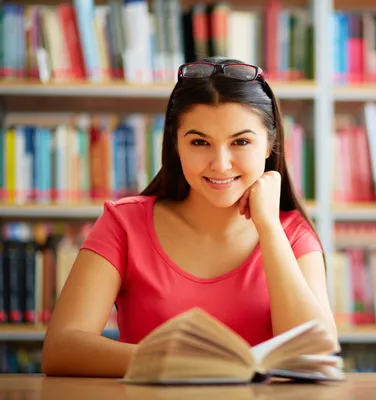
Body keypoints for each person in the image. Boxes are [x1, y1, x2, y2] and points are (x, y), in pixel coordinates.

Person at [41, 57, 339, 377]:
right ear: (176, 143)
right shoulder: (124, 225)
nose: (220, 164)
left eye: (241, 141)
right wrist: (176, 361)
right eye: (199, 142)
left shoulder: (292, 234)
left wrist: (269, 225)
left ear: (270, 145)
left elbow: (316, 356)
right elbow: (61, 349)